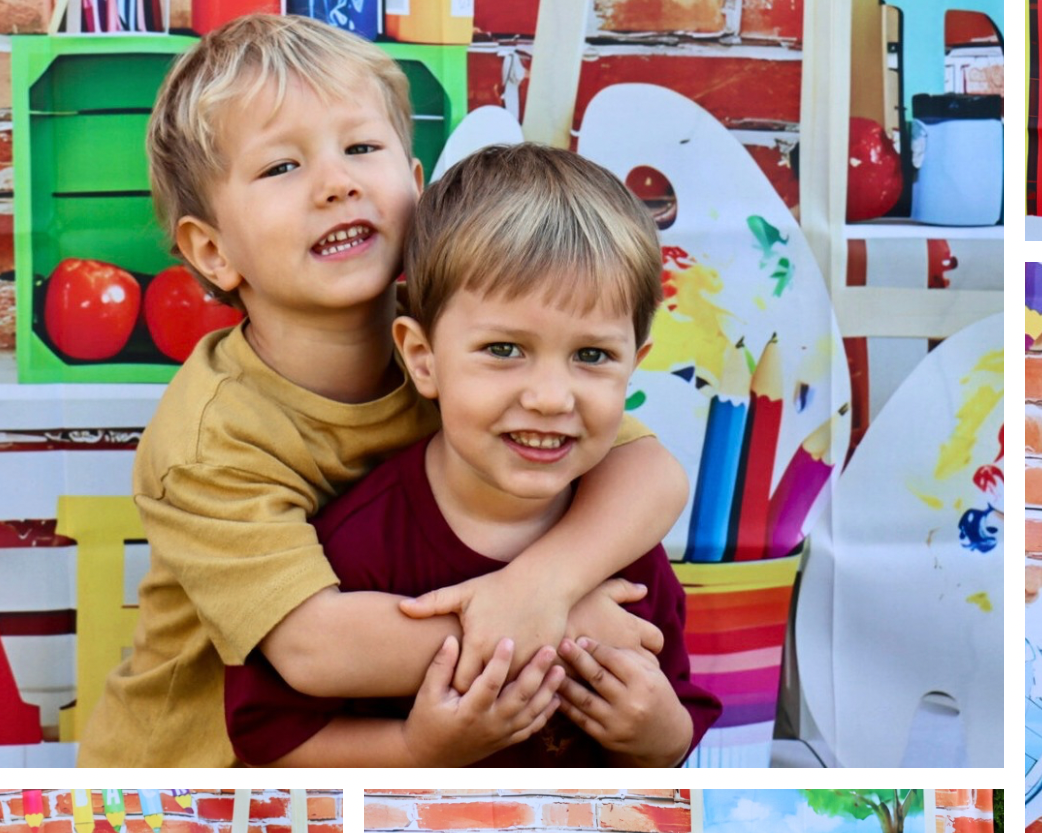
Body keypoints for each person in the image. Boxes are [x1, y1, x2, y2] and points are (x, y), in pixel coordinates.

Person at [77, 13, 688, 766]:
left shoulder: (476, 350)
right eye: (281, 168)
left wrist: (542, 587)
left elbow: (648, 471)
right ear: (213, 249)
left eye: (362, 148)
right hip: (204, 784)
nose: (337, 184)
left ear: (417, 187)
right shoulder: (211, 438)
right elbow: (315, 650)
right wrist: (557, 631)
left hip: (405, 754)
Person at [224, 143, 721, 765]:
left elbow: (675, 718)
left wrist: (658, 735)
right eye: (504, 349)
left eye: (592, 356)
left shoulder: (622, 546)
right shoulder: (356, 547)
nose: (548, 397)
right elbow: (270, 742)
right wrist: (417, 749)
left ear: (634, 366)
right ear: (423, 358)